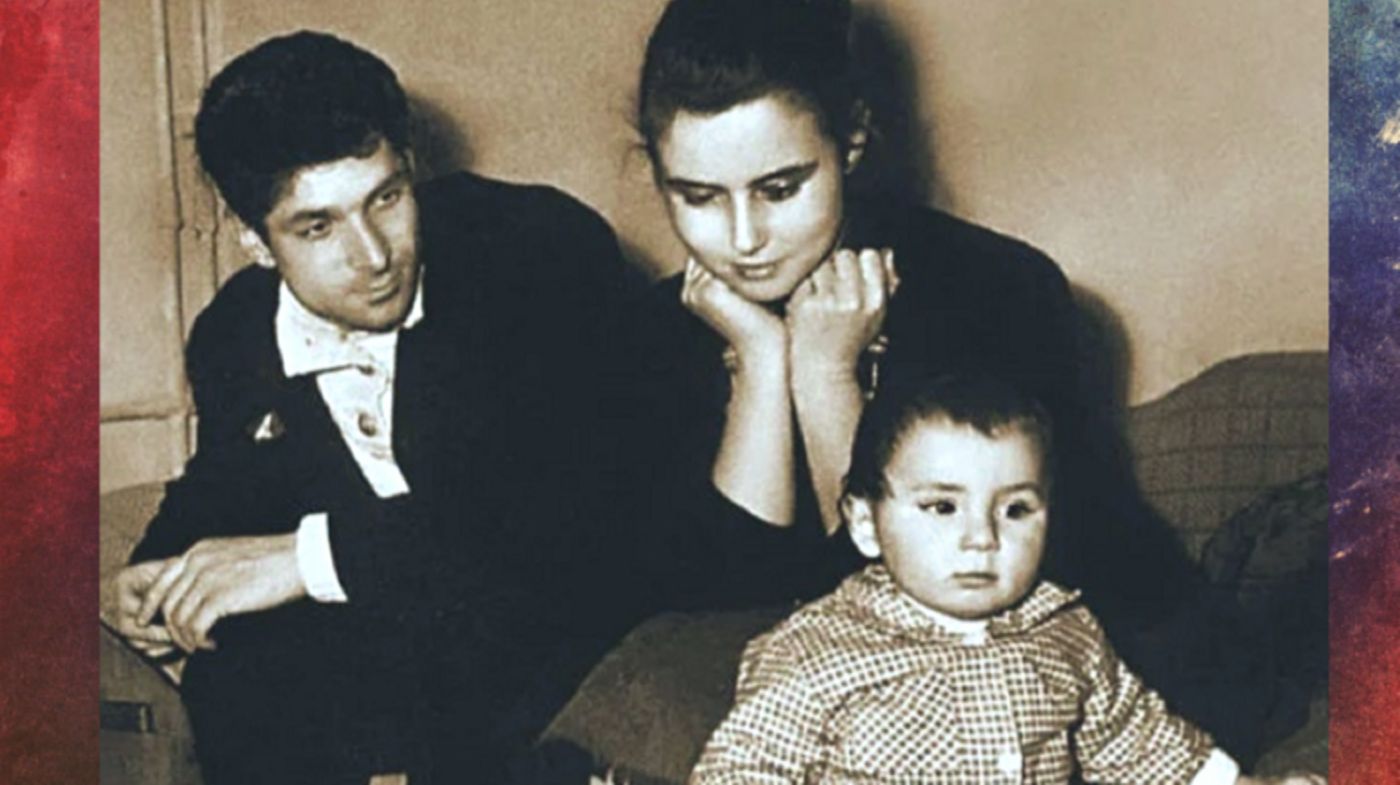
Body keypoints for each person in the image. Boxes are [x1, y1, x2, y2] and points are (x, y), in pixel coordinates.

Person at [631, 0, 1289, 761]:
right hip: (811, 711)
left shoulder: (996, 286)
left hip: (1092, 658)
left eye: (780, 189)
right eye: (698, 196)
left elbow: (948, 587)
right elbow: (712, 609)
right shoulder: (659, 326)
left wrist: (825, 373)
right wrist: (759, 359)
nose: (744, 240)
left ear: (851, 142)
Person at [97, 30, 662, 785]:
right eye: (318, 226)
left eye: (386, 198)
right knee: (229, 680)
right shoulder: (235, 332)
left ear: (412, 167)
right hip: (393, 656)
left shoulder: (541, 253)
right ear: (253, 241)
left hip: (555, 636)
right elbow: (230, 475)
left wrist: (306, 558)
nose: (374, 255)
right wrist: (154, 574)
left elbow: (567, 516)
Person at [690, 374, 1325, 785]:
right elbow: (743, 769)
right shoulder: (815, 649)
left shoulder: (1066, 631)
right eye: (942, 507)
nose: (981, 537)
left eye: (1015, 510)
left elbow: (1141, 746)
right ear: (865, 523)